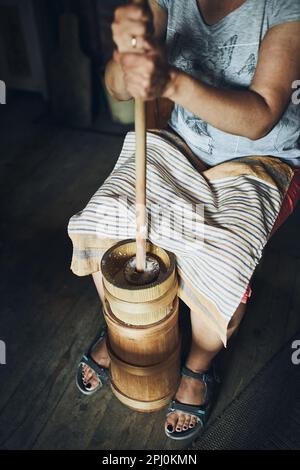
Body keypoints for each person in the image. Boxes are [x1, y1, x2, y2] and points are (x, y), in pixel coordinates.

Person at [68, 0, 300, 441]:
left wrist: (170, 81)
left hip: (261, 159)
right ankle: (131, 327)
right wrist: (125, 54)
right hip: (185, 143)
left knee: (222, 262)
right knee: (106, 217)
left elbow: (261, 117)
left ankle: (197, 364)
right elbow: (119, 89)